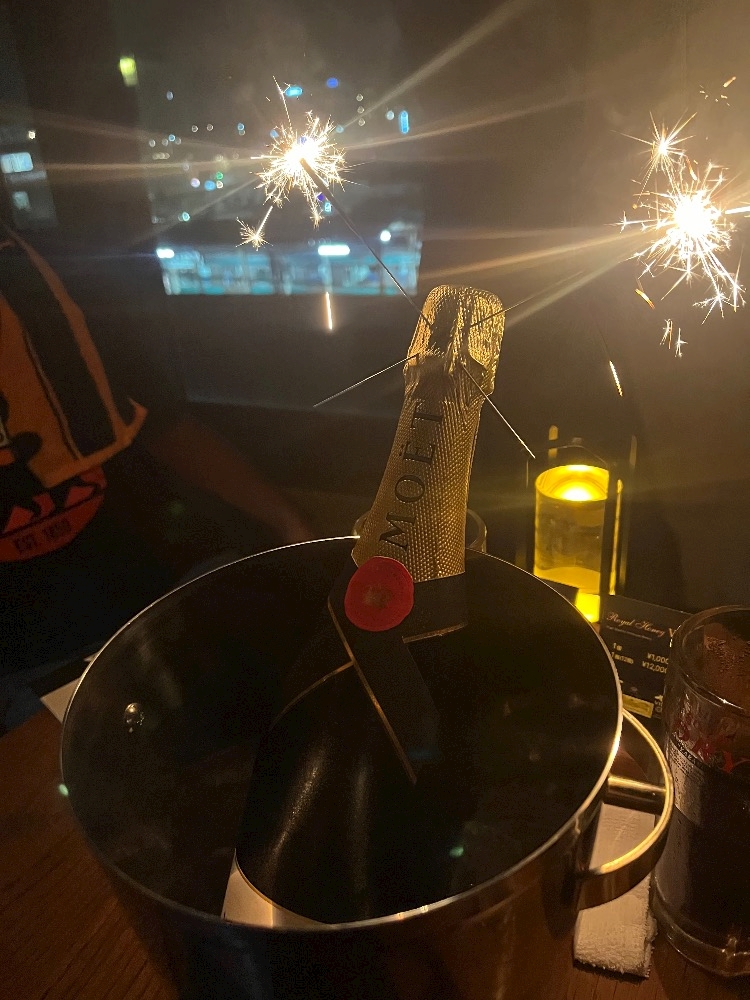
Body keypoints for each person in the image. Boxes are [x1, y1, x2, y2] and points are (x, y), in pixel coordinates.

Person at [0, 218, 313, 725]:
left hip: (160, 591)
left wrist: (287, 521)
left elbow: (164, 423)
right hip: (26, 660)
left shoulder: (57, 269)